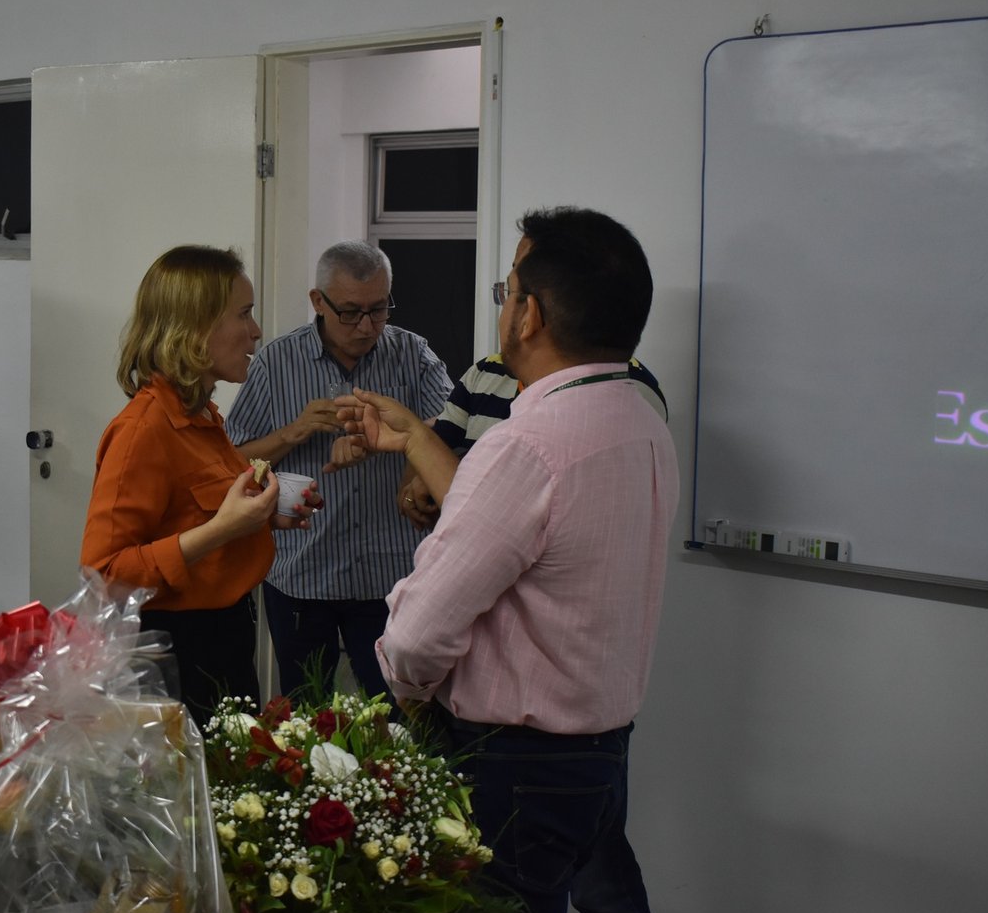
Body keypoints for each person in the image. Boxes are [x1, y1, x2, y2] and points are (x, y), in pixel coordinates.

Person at [351, 207, 677, 913]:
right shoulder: (641, 419)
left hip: (513, 763)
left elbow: (417, 635)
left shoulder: (527, 444)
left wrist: (414, 696)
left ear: (529, 314)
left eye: (508, 291)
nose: (504, 307)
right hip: (600, 749)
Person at [81, 245, 316, 728]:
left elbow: (195, 518)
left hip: (226, 640)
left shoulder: (202, 416)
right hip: (177, 656)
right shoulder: (144, 430)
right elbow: (105, 573)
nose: (256, 331)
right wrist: (223, 529)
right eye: (244, 314)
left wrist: (262, 517)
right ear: (194, 328)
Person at [224, 240, 449, 702]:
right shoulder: (275, 362)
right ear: (318, 301)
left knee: (398, 716)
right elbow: (231, 463)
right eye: (350, 312)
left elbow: (450, 434)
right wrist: (295, 432)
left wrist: (400, 450)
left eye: (378, 309)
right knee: (305, 714)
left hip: (390, 575)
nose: (366, 326)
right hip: (303, 573)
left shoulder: (412, 354)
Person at [398, 352, 667, 529]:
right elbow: (439, 449)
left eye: (514, 294)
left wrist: (443, 480)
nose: (508, 310)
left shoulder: (623, 387)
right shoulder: (486, 370)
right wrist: (425, 487)